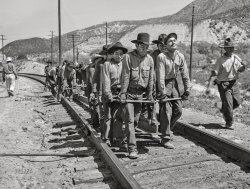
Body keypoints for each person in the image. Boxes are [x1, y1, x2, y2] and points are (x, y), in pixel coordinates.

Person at [120, 33, 154, 159]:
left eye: (145, 45)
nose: (143, 47)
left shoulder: (150, 60)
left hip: (140, 94)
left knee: (134, 121)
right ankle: (132, 148)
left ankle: (125, 140)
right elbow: (125, 76)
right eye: (141, 45)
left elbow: (150, 79)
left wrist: (150, 94)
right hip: (129, 92)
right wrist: (123, 92)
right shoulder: (128, 57)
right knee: (129, 120)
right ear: (136, 45)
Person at [156, 33, 191, 149]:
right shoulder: (161, 56)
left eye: (175, 40)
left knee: (179, 110)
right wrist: (162, 92)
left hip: (174, 83)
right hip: (163, 84)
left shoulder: (180, 56)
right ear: (166, 45)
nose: (173, 42)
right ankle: (165, 138)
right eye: (170, 41)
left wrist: (187, 89)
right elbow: (160, 76)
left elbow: (185, 74)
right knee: (166, 110)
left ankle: (165, 129)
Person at [206, 38, 246, 128]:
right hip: (223, 84)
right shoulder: (220, 60)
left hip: (234, 83)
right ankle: (229, 122)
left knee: (238, 102)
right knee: (228, 104)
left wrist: (243, 67)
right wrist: (210, 84)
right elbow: (215, 72)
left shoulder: (236, 58)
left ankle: (224, 109)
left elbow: (240, 69)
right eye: (228, 47)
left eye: (231, 47)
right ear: (225, 48)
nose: (230, 49)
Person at [102, 42, 128, 146]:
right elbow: (106, 79)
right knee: (108, 116)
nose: (119, 56)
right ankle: (106, 138)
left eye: (121, 53)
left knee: (118, 116)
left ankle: (117, 137)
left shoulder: (125, 65)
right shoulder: (107, 64)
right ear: (112, 54)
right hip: (109, 91)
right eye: (117, 53)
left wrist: (123, 92)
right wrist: (108, 94)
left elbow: (126, 79)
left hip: (120, 92)